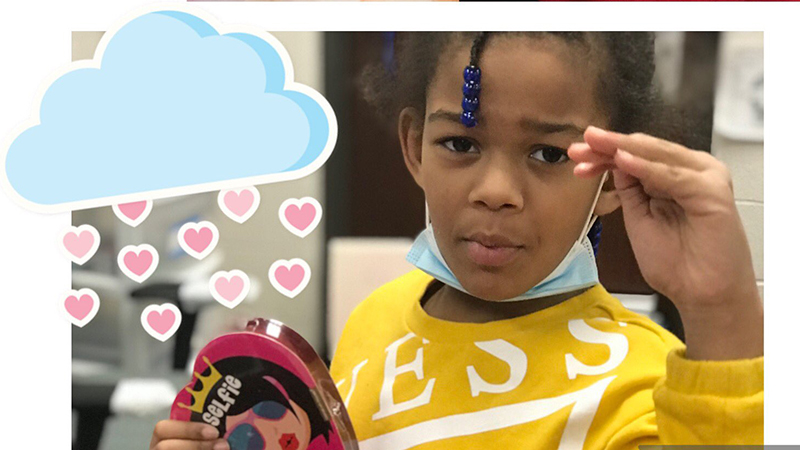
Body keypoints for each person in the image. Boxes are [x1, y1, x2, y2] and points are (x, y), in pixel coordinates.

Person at [150, 32, 763, 449]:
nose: (495, 190)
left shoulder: (641, 382)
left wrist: (720, 311)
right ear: (414, 145)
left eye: (549, 153)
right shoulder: (374, 319)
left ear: (611, 177)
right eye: (461, 144)